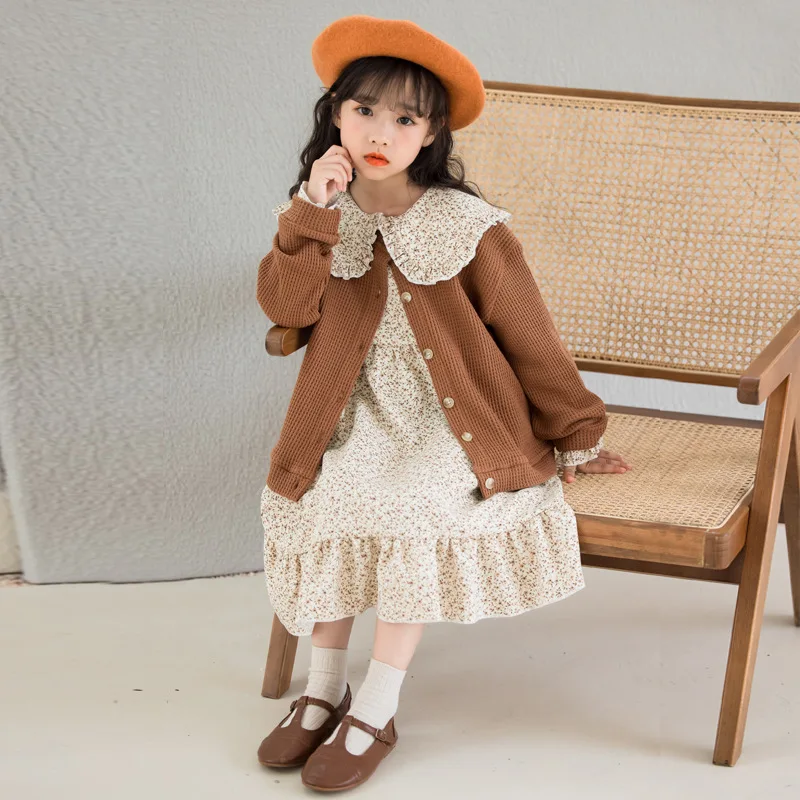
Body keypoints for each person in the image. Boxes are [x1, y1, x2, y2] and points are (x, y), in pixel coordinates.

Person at [255, 14, 632, 793]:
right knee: (331, 497)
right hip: (352, 416)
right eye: (364, 109)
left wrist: (577, 433)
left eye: (405, 118)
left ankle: (377, 708)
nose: (379, 132)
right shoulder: (317, 216)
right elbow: (285, 309)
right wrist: (313, 210)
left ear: (431, 135)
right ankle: (323, 690)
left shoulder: (467, 227)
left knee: (412, 509)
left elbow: (529, 335)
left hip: (452, 427)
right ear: (334, 115)